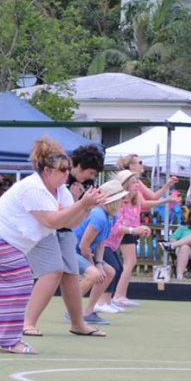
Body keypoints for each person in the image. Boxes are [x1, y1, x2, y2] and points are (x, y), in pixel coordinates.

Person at [0, 137, 101, 354]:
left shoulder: (62, 192)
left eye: (68, 168)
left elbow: (68, 223)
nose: (67, 173)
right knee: (21, 280)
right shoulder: (33, 188)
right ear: (47, 170)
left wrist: (87, 207)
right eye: (62, 169)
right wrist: (83, 203)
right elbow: (51, 221)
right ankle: (10, 340)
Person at [22, 144, 108, 337]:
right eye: (90, 172)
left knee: (70, 275)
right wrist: (80, 203)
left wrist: (85, 206)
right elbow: (54, 217)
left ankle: (78, 323)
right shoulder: (49, 183)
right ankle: (28, 322)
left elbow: (72, 221)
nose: (91, 177)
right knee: (52, 272)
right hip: (45, 231)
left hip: (64, 232)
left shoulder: (73, 186)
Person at [74, 180, 129, 325]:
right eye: (121, 199)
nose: (124, 201)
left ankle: (88, 312)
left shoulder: (112, 216)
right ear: (114, 201)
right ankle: (72, 310)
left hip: (82, 251)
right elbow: (84, 246)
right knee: (95, 274)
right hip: (70, 251)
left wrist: (99, 262)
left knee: (109, 271)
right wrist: (94, 266)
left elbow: (100, 242)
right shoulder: (98, 215)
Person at [103, 169, 150, 307]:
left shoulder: (136, 203)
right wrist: (133, 230)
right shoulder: (119, 203)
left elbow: (134, 222)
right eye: (134, 182)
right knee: (122, 265)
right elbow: (115, 226)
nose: (137, 185)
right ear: (125, 185)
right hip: (113, 238)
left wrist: (141, 229)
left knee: (121, 266)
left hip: (124, 236)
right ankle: (115, 297)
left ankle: (114, 297)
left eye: (137, 182)